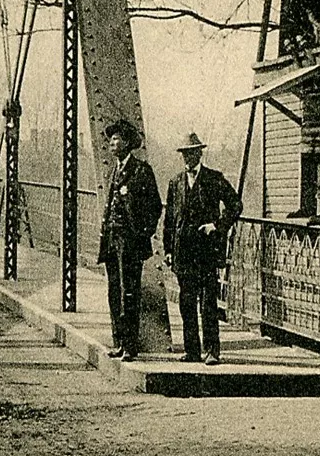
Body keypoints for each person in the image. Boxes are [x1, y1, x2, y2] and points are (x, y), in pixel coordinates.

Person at [162, 131, 243, 365]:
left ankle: (212, 351)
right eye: (185, 154)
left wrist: (217, 226)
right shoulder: (175, 182)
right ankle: (192, 350)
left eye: (192, 153)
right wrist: (168, 249)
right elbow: (169, 220)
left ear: (200, 153)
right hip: (183, 252)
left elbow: (235, 204)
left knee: (208, 303)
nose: (188, 158)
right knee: (187, 303)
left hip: (206, 251)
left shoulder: (213, 178)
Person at [95, 119, 161, 362]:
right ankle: (119, 342)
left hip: (130, 241)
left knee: (129, 292)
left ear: (128, 144)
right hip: (113, 239)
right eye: (111, 140)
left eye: (117, 139)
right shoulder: (114, 170)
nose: (113, 143)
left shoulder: (141, 170)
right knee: (114, 290)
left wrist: (142, 233)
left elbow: (154, 206)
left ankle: (131, 346)